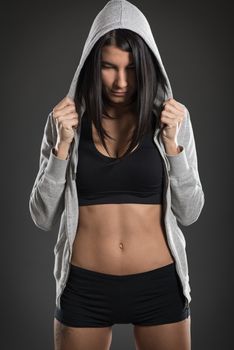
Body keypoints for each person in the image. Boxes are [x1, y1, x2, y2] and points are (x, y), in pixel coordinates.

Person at [29, 1, 205, 349]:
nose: (121, 81)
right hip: (84, 287)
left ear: (149, 66)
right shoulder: (65, 121)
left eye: (132, 68)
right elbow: (42, 216)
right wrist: (62, 148)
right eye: (109, 67)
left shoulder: (171, 119)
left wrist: (172, 147)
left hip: (159, 285)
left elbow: (191, 211)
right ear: (92, 66)